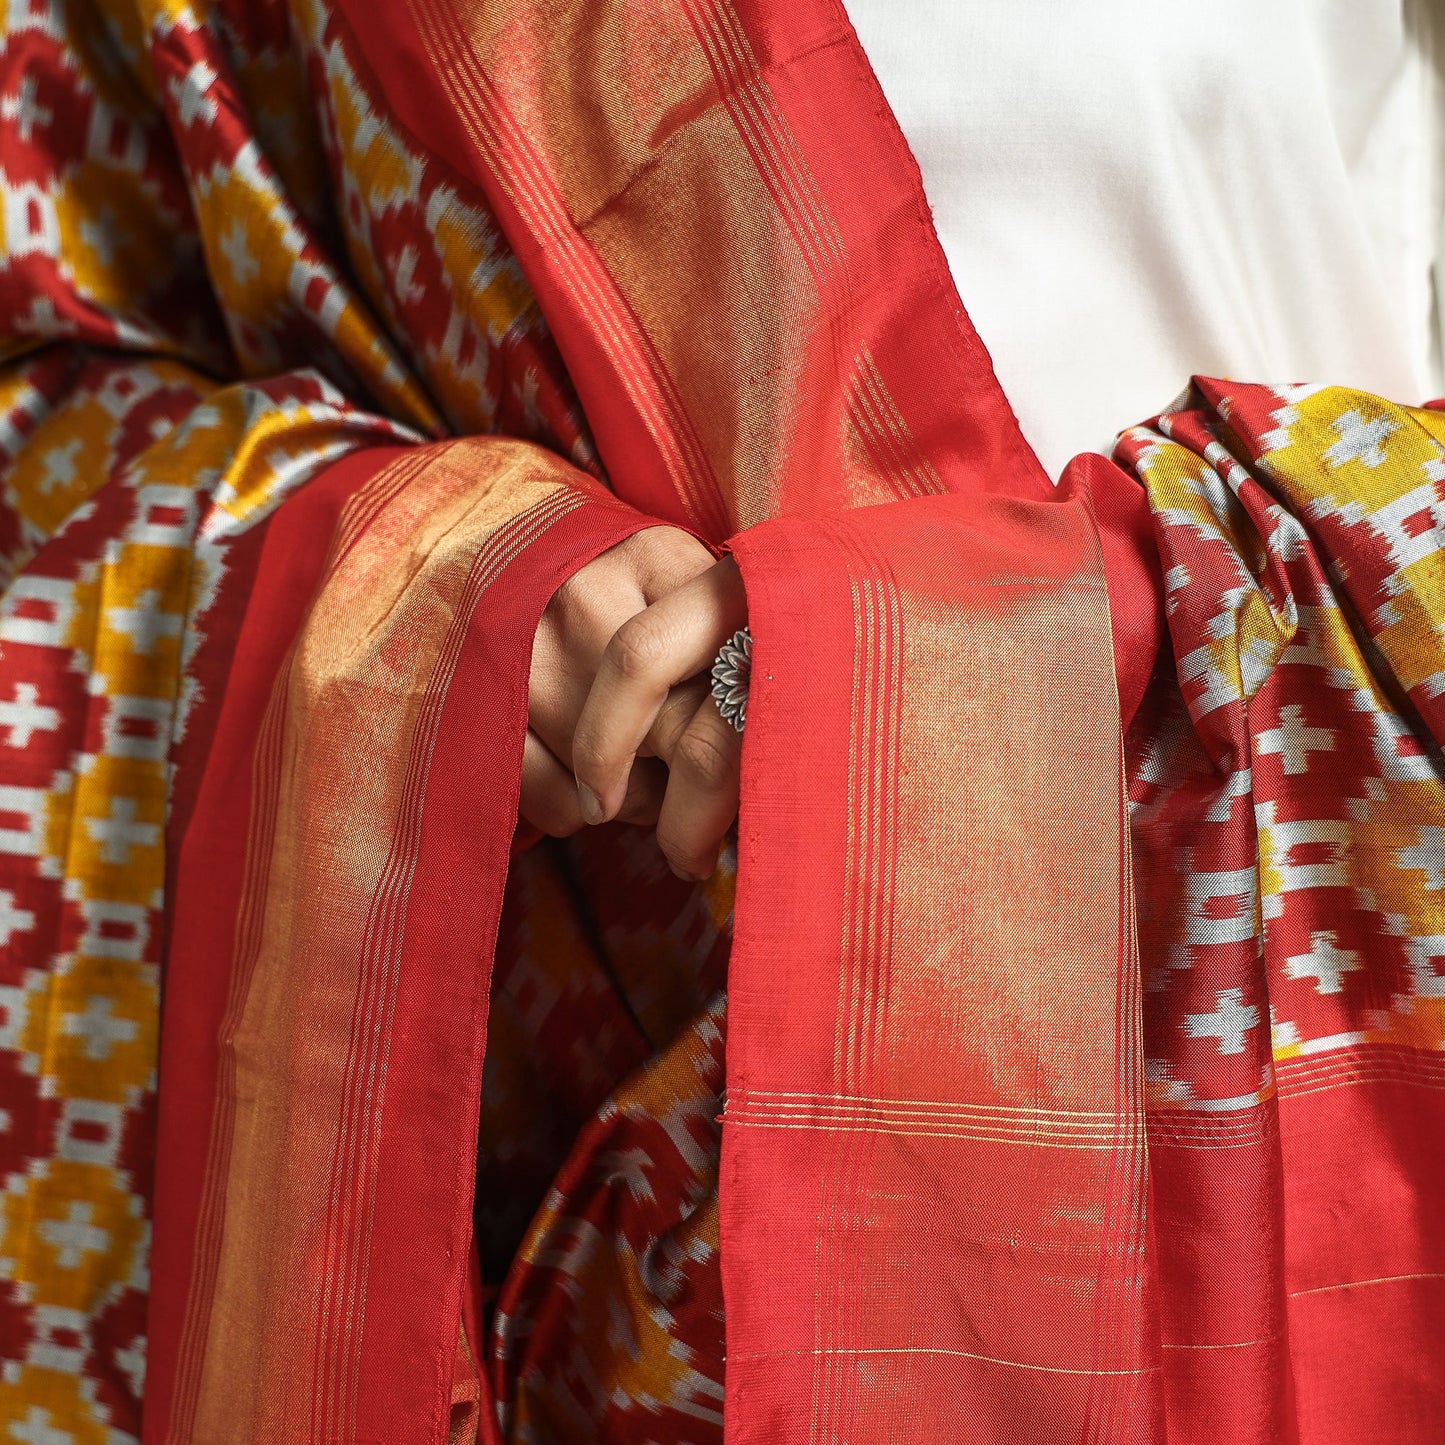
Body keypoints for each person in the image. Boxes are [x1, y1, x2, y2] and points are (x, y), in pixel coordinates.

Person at [0, 1, 1441, 1443]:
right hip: (673, 1219)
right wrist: (429, 573)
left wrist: (1061, 627)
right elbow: (46, 411)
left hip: (1329, 992)